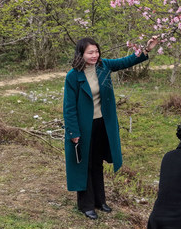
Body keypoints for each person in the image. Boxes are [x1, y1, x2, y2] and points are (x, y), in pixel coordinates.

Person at [63, 36, 157, 219]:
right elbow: (69, 107)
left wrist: (146, 50)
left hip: (102, 124)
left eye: (96, 51)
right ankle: (86, 205)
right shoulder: (73, 76)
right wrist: (73, 131)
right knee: (85, 164)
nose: (94, 55)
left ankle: (100, 201)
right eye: (90, 52)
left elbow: (126, 61)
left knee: (97, 162)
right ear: (81, 54)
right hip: (83, 126)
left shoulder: (103, 66)